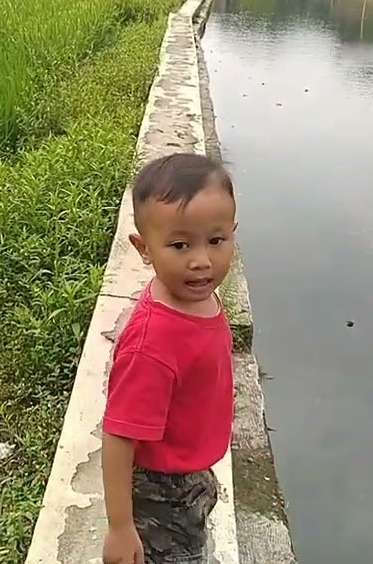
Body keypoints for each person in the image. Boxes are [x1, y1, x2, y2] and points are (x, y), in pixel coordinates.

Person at [101, 152, 237, 564]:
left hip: (191, 476)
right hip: (162, 492)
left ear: (234, 233)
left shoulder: (196, 295)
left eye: (216, 241)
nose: (201, 260)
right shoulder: (154, 343)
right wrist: (121, 528)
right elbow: (119, 435)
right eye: (180, 245)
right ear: (144, 248)